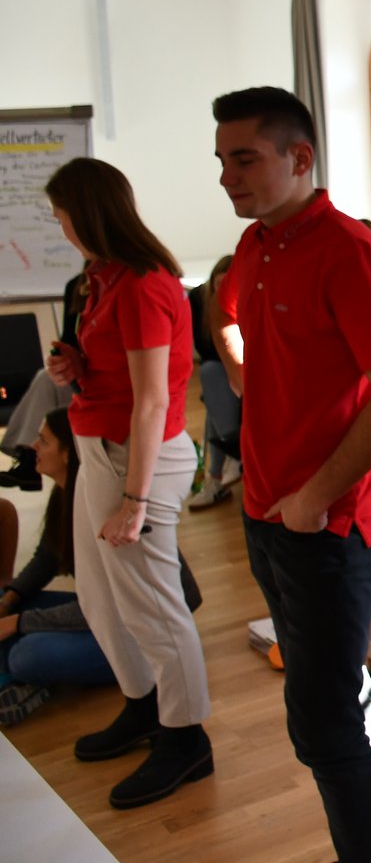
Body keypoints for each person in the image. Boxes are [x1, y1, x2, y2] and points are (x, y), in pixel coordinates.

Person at [211, 86, 371, 862]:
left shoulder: (348, 251)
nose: (228, 177)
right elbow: (224, 312)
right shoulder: (256, 245)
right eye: (222, 161)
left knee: (326, 725)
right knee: (326, 705)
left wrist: (314, 497)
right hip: (268, 513)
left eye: (244, 159)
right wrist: (243, 369)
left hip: (329, 522)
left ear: (300, 158)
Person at [43, 157, 212, 810]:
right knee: (101, 599)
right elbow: (120, 374)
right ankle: (145, 706)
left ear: (88, 215)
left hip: (135, 460)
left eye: (61, 216)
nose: (59, 228)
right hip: (100, 450)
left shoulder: (142, 285)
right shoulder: (102, 278)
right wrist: (77, 366)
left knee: (154, 608)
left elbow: (152, 400)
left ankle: (187, 738)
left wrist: (136, 501)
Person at [0, 407, 203, 725]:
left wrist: (20, 622)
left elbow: (101, 606)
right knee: (9, 609)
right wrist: (10, 599)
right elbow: (46, 559)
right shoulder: (64, 496)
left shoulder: (101, 502)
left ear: (68, 454)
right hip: (104, 613)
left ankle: (28, 678)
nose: (33, 447)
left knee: (25, 654)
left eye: (44, 441)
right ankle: (19, 683)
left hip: (133, 628)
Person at [0, 268, 87, 492]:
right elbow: (68, 341)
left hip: (112, 381)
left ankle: (30, 457)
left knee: (47, 381)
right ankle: (29, 455)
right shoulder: (77, 286)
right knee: (46, 377)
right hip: (84, 375)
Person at [185, 256, 243, 510]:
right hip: (224, 371)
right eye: (219, 286)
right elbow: (205, 350)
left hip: (245, 374)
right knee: (212, 377)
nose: (222, 293)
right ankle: (231, 455)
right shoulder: (199, 301)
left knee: (214, 402)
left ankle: (219, 474)